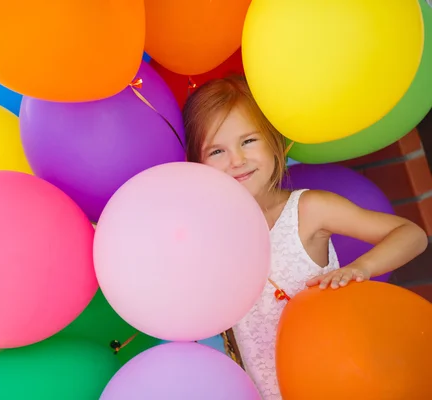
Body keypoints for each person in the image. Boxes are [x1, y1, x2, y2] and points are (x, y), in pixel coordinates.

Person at [183, 74, 428, 399]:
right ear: (198, 163)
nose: (236, 160)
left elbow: (411, 235)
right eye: (216, 151)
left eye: (248, 141)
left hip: (337, 381)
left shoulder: (307, 209)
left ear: (274, 143)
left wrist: (362, 268)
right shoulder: (215, 237)